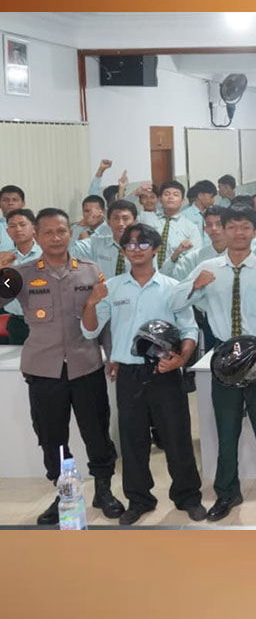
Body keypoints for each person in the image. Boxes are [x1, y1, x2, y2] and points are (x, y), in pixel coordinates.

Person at [0, 208, 124, 525]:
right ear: (37, 236)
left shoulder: (90, 270)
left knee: (97, 431)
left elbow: (104, 320)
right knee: (51, 436)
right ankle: (64, 494)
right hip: (44, 370)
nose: (56, 238)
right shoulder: (21, 274)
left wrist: (112, 355)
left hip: (86, 365)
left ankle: (104, 491)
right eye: (48, 232)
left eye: (61, 231)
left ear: (70, 233)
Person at [170, 205, 256, 522]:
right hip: (222, 359)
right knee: (226, 429)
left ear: (254, 231)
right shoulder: (208, 268)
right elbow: (175, 303)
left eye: (245, 227)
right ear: (223, 230)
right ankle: (227, 493)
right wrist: (194, 286)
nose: (239, 233)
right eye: (232, 227)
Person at [81, 223, 205, 525]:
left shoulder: (172, 287)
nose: (136, 250)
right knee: (133, 440)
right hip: (128, 373)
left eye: (143, 244)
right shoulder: (112, 287)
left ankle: (188, 497)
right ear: (124, 251)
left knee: (176, 437)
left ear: (156, 249)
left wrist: (180, 359)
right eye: (130, 245)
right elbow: (90, 330)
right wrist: (92, 303)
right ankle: (139, 500)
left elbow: (189, 329)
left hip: (165, 370)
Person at [0, 209, 42, 344]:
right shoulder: (4, 259)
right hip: (16, 322)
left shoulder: (47, 256)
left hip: (44, 322)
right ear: (7, 232)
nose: (18, 229)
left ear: (34, 227)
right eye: (12, 226)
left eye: (22, 224)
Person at [145, 181, 203, 271]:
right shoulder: (147, 219)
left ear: (182, 201)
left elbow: (194, 256)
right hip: (148, 273)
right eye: (166, 194)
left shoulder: (190, 227)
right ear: (160, 199)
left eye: (176, 195)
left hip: (176, 275)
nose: (171, 197)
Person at [182, 180, 217, 247]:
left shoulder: (213, 214)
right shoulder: (185, 216)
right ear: (200, 196)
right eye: (211, 197)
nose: (213, 200)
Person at [0, 185, 27, 252]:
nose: (10, 203)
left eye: (15, 200)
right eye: (6, 200)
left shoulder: (34, 225)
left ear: (23, 203)